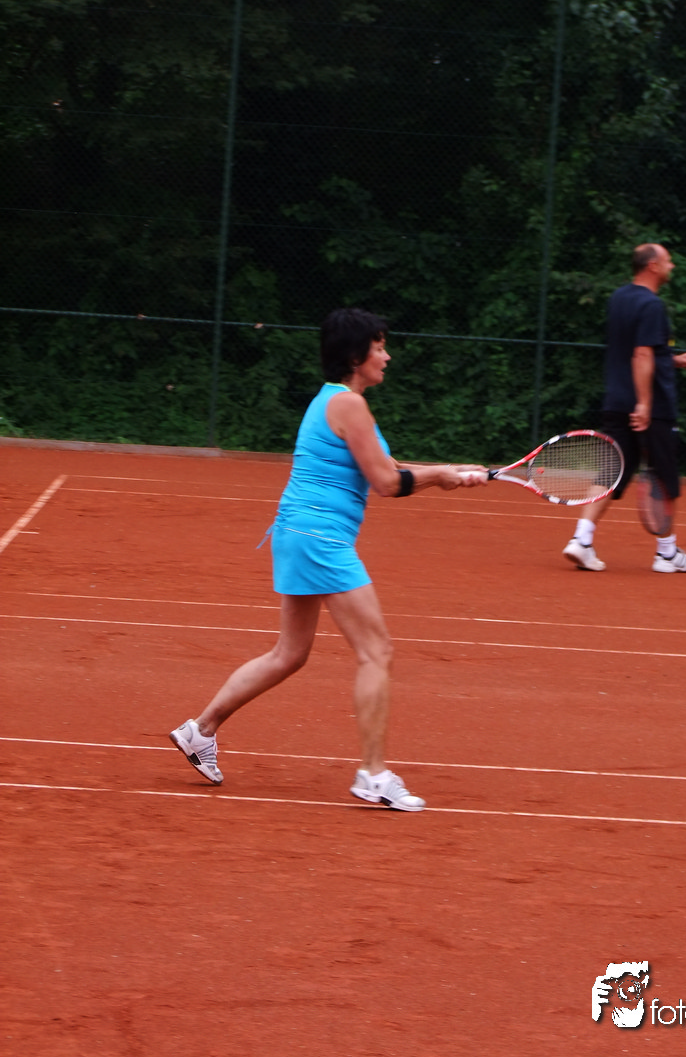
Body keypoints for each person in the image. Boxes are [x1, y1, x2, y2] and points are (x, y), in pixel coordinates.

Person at [170, 307, 487, 811]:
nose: (387, 355)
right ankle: (373, 775)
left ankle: (199, 730)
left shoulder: (333, 400)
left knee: (289, 654)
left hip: (297, 532)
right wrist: (440, 475)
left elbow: (384, 466)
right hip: (320, 538)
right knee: (376, 650)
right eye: (379, 347)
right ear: (356, 357)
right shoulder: (349, 405)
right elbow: (387, 483)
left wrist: (447, 471)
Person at [563, 243, 686, 574]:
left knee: (611, 473)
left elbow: (640, 350)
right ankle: (666, 554)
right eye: (668, 261)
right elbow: (641, 354)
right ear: (653, 266)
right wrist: (644, 403)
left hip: (616, 400)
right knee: (663, 476)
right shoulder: (652, 305)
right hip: (651, 407)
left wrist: (672, 360)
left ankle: (581, 540)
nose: (672, 266)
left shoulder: (619, 298)